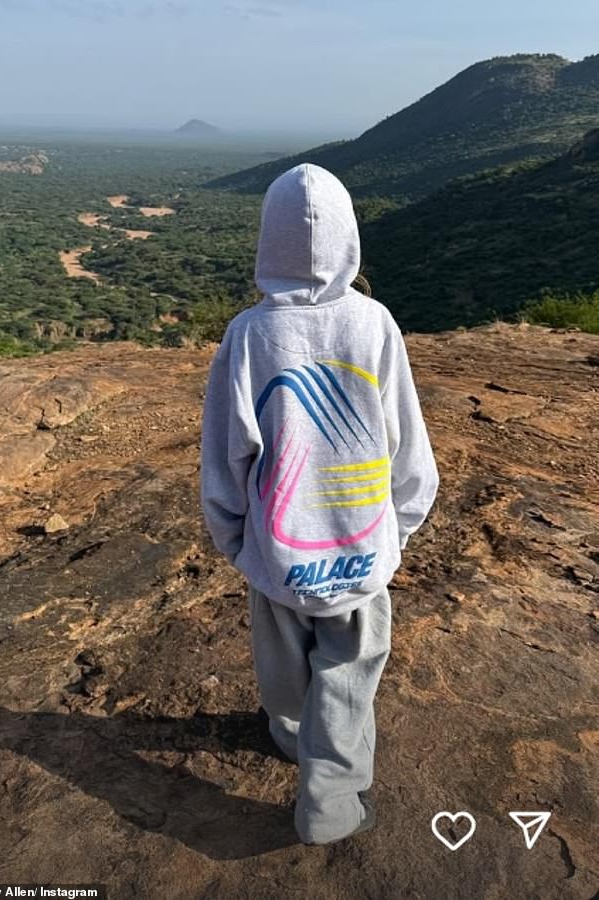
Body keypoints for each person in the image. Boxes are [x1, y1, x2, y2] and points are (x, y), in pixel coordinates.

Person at [200, 162, 439, 845]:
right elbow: (406, 439)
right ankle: (330, 802)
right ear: (349, 236)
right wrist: (398, 525)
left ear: (267, 240)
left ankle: (289, 736)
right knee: (350, 671)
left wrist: (235, 539)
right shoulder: (374, 324)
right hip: (362, 548)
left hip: (278, 550)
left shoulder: (249, 335)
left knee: (282, 668)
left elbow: (228, 454)